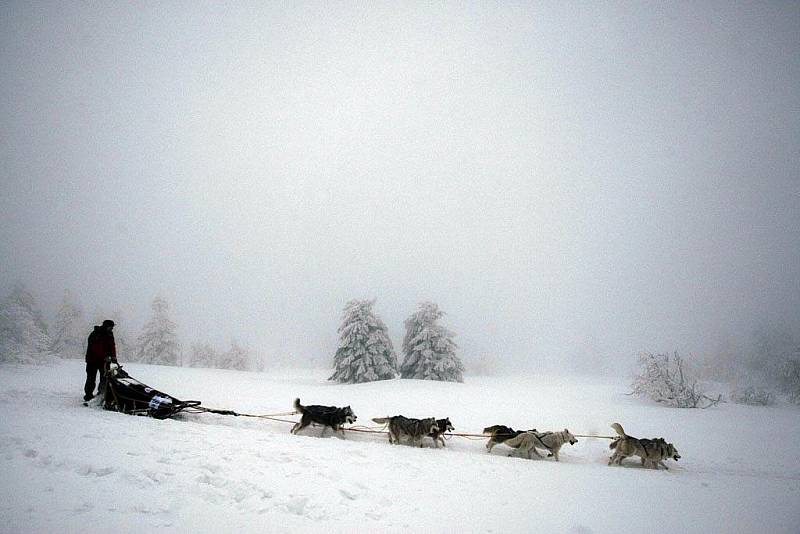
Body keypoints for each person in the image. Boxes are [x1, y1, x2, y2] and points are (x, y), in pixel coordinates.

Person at [84, 319, 117, 402]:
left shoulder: (110, 334)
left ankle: (101, 393)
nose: (112, 329)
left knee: (105, 378)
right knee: (91, 378)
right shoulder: (95, 333)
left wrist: (113, 357)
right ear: (106, 326)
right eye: (110, 327)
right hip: (93, 360)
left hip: (104, 362)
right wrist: (105, 356)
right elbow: (95, 347)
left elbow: (112, 346)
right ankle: (88, 395)